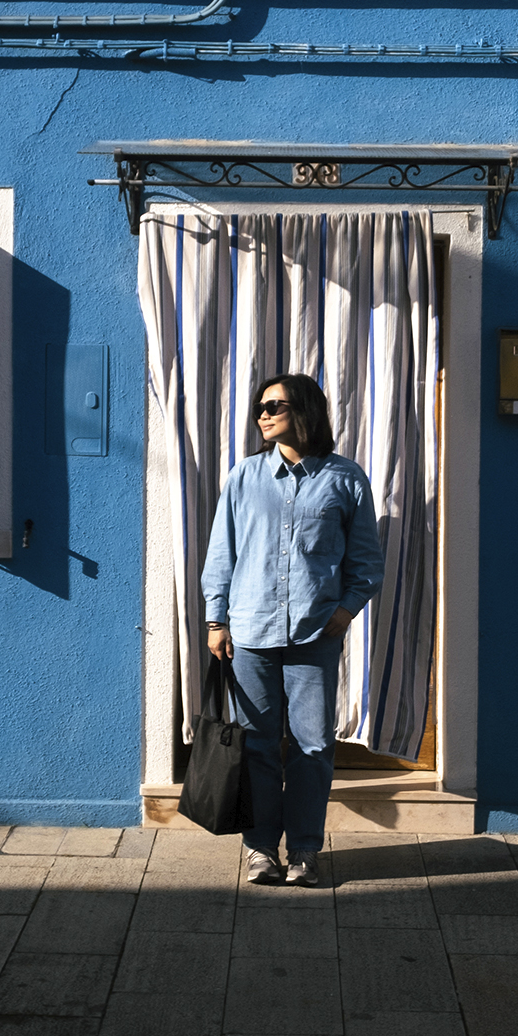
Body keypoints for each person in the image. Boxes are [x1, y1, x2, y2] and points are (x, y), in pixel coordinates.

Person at [199, 370, 384, 886]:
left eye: (274, 406)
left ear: (303, 411)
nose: (262, 414)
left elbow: (367, 563)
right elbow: (222, 556)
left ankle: (304, 851)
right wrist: (217, 620)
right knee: (257, 745)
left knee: (313, 748)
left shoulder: (345, 479)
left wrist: (343, 613)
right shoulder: (243, 477)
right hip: (251, 633)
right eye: (260, 407)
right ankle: (261, 850)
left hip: (313, 636)